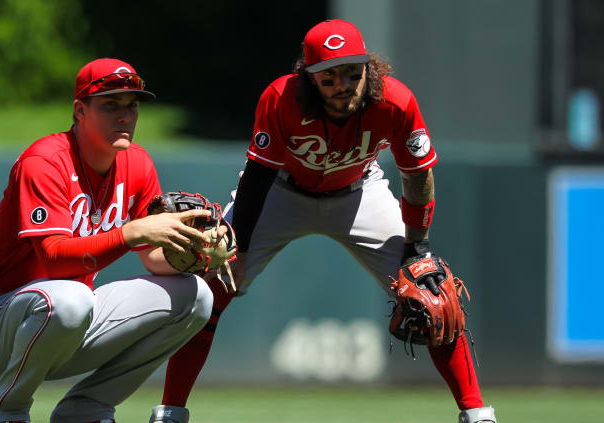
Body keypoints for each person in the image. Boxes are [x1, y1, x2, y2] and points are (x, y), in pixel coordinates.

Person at [150, 19, 497, 423]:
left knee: (433, 293)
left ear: (370, 68)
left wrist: (416, 249)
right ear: (308, 76)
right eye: (329, 76)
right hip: (280, 190)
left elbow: (418, 175)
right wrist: (239, 248)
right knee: (210, 289)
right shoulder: (281, 98)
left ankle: (476, 414)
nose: (344, 84)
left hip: (358, 193)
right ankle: (171, 410)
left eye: (353, 71)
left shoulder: (396, 102)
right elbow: (259, 175)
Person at [0, 58, 216, 423]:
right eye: (111, 104)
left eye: (132, 105)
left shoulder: (138, 164)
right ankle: (10, 408)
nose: (126, 116)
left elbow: (153, 257)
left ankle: (86, 410)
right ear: (80, 110)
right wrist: (131, 232)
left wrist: (195, 250)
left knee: (197, 296)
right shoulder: (45, 162)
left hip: (72, 321)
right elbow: (53, 259)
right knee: (70, 298)